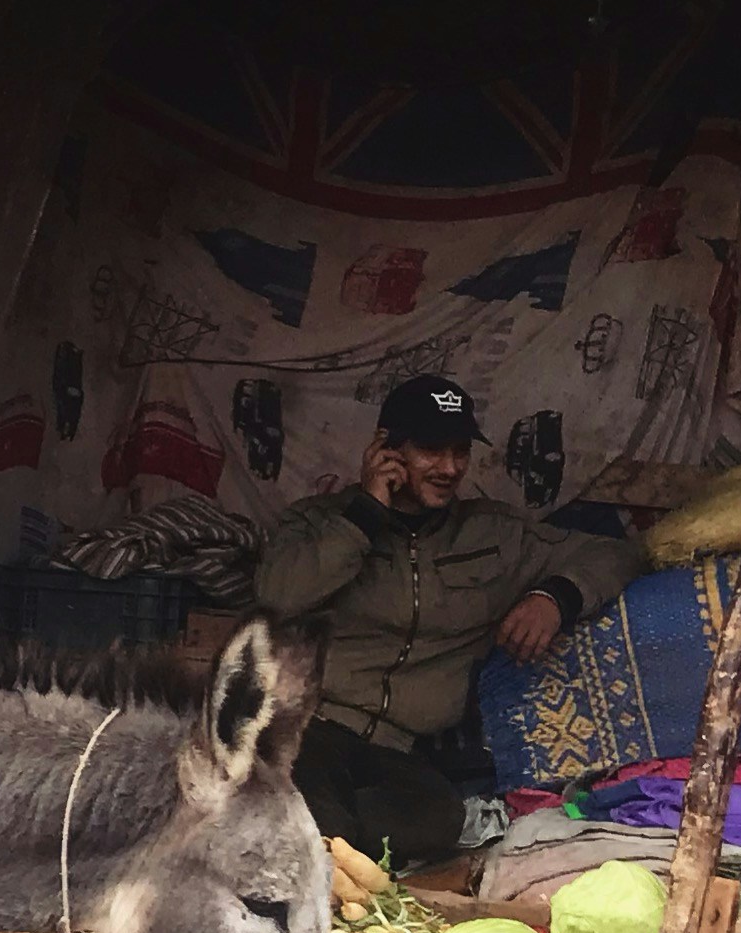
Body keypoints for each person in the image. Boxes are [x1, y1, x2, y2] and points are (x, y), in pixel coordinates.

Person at [252, 372, 637, 869]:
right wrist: (366, 513)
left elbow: (618, 553)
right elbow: (277, 595)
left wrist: (554, 598)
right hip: (311, 728)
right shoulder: (318, 521)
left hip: (398, 751)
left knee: (439, 819)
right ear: (386, 450)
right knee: (319, 822)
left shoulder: (491, 533)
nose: (450, 467)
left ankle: (326, 848)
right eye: (432, 450)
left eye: (460, 451)